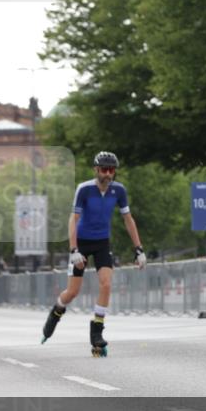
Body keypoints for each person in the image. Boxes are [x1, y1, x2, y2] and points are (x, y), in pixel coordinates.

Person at [41, 151, 146, 356]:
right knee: (72, 293)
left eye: (112, 170)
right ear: (96, 170)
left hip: (101, 242)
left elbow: (128, 220)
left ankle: (97, 331)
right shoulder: (85, 189)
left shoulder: (119, 190)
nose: (108, 174)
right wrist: (74, 250)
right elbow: (73, 219)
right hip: (81, 242)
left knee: (106, 283)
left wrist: (139, 249)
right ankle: (56, 311)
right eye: (104, 170)